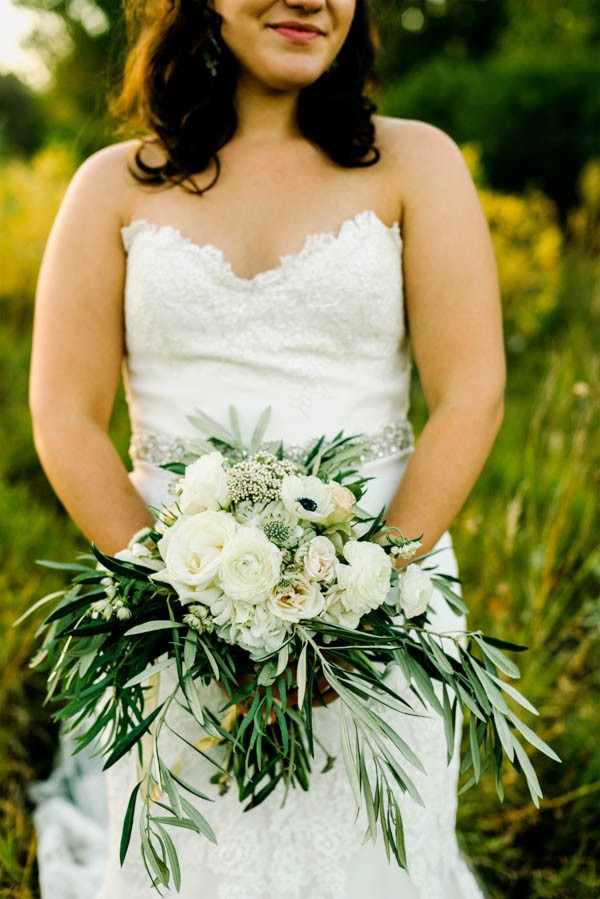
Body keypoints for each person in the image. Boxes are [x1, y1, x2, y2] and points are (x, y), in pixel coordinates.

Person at [29, 0, 505, 896]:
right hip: (172, 615)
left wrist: (358, 606)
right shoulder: (113, 185)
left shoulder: (417, 162)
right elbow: (62, 414)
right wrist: (182, 610)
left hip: (385, 605)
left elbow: (472, 395)